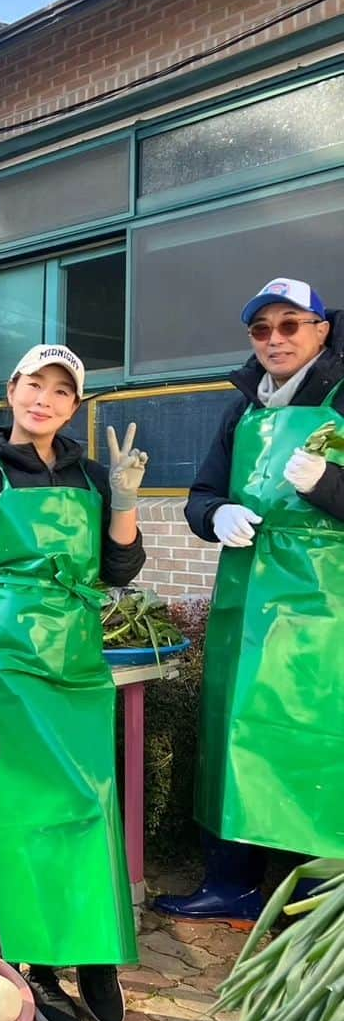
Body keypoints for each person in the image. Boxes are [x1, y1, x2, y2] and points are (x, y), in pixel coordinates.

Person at [0, 344, 148, 1021]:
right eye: (32, 384)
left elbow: (116, 571)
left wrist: (126, 505)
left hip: (78, 662)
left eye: (60, 390)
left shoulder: (90, 475)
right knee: (23, 815)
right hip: (5, 661)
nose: (43, 398)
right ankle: (39, 965)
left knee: (90, 806)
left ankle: (96, 953)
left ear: (73, 405)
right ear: (12, 392)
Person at [155, 279, 344, 923]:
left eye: (291, 325)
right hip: (245, 592)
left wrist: (330, 486)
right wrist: (217, 514)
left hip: (323, 604)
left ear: (322, 329)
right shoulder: (241, 408)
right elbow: (200, 493)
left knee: (313, 737)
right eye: (261, 329)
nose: (275, 340)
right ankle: (230, 880)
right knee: (233, 730)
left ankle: (319, 895)